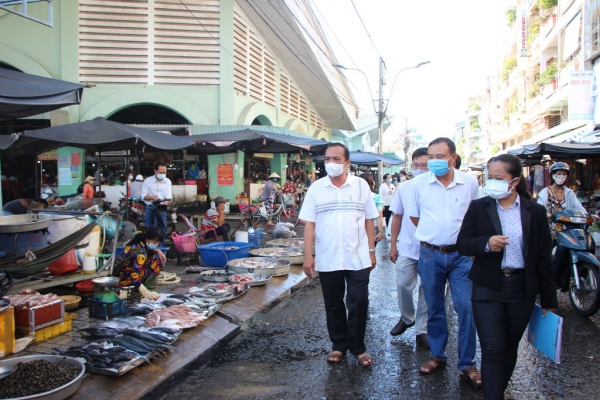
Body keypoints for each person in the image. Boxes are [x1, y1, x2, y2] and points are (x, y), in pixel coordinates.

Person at [457, 154, 557, 399]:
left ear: (514, 181)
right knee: (492, 349)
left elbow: (543, 257)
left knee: (509, 347)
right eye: (489, 177)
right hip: (488, 287)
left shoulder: (534, 210)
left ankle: (496, 391)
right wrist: (487, 244)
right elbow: (463, 244)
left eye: (498, 178)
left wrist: (549, 299)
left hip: (521, 288)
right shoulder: (480, 207)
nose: (492, 182)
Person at [407, 137, 481, 386]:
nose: (434, 161)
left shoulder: (469, 183)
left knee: (466, 307)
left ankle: (467, 364)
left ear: (453, 158)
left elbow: (476, 216)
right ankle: (437, 355)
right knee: (435, 308)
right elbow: (415, 217)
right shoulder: (418, 184)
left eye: (440, 156)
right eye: (431, 156)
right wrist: (434, 237)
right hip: (430, 254)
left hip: (462, 256)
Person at [299, 143, 378, 367]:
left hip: (359, 255)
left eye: (336, 159)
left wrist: (371, 250)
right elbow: (309, 224)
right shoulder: (316, 188)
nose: (330, 163)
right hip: (328, 256)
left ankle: (358, 347)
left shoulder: (361, 186)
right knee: (333, 304)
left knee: (358, 302)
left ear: (347, 163)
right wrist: (308, 256)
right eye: (327, 159)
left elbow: (369, 219)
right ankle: (339, 345)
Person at [389, 148, 429, 348]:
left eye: (425, 165)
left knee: (427, 290)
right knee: (404, 284)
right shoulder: (404, 188)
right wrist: (393, 244)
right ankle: (407, 317)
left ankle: (423, 329)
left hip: (432, 249)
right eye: (417, 165)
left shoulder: (437, 188)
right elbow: (397, 216)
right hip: (407, 247)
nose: (420, 169)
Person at [536, 162, 585, 243]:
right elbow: (539, 210)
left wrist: (586, 215)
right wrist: (548, 214)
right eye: (559, 173)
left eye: (564, 174)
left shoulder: (569, 192)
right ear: (553, 175)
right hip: (548, 231)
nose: (561, 176)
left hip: (567, 231)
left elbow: (578, 207)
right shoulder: (545, 192)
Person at [118, 226, 166, 300]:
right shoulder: (141, 254)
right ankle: (140, 287)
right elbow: (134, 274)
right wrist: (144, 291)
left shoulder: (139, 242)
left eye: (158, 242)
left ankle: (139, 285)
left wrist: (157, 251)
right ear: (148, 240)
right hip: (125, 278)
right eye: (155, 241)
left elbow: (148, 251)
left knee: (152, 260)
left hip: (122, 272)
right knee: (157, 264)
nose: (157, 244)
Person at [141, 163, 172, 245]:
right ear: (155, 171)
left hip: (162, 206)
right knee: (151, 230)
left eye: (164, 172)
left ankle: (161, 248)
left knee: (163, 229)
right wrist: (152, 197)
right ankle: (150, 249)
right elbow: (143, 195)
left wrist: (165, 202)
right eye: (160, 172)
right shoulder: (148, 181)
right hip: (150, 207)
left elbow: (169, 196)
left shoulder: (168, 181)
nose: (163, 174)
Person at [359, 172, 384, 242]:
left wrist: (380, 232)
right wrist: (380, 232)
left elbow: (379, 216)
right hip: (369, 228)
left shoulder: (376, 198)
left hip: (362, 229)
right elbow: (379, 216)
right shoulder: (376, 197)